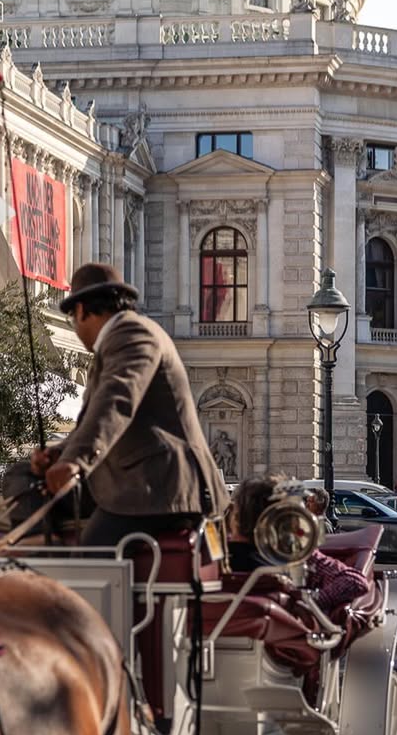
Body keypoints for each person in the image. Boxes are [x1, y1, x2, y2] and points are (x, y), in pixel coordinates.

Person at [44, 262, 229, 543]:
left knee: (92, 556)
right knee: (24, 479)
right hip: (147, 484)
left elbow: (116, 400)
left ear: (80, 311)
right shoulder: (120, 341)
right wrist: (58, 454)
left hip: (162, 488)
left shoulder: (132, 335)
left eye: (72, 319)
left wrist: (75, 460)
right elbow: (97, 418)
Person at [227, 475, 370, 615]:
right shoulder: (298, 558)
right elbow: (354, 582)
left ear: (235, 516)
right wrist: (307, 602)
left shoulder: (214, 558)